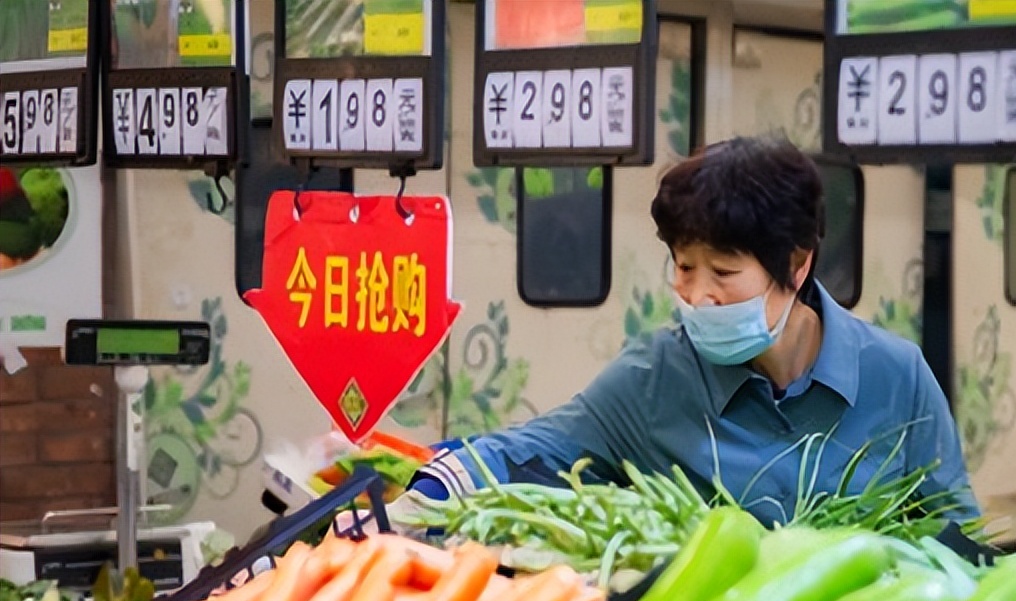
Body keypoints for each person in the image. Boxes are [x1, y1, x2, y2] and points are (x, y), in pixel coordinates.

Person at [403, 135, 979, 528]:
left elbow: (956, 537)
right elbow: (529, 451)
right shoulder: (653, 380)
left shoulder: (897, 377)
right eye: (684, 267)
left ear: (797, 264)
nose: (698, 295)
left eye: (724, 273)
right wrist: (413, 491)